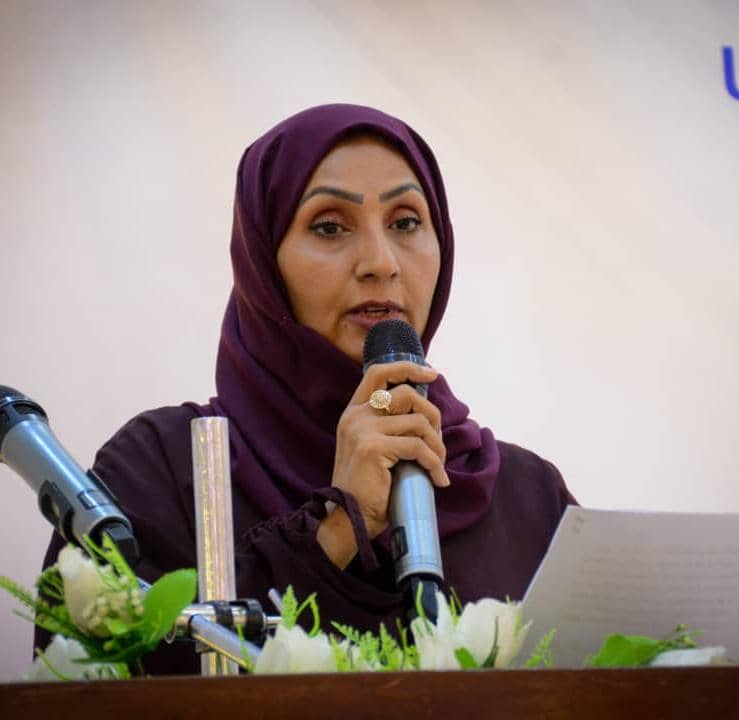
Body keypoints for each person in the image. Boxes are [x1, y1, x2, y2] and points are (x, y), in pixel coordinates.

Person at [40, 104, 575, 674]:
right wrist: (337, 527)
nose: (381, 262)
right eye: (329, 226)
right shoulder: (163, 473)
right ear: (262, 262)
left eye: (405, 222)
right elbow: (90, 687)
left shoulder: (529, 500)